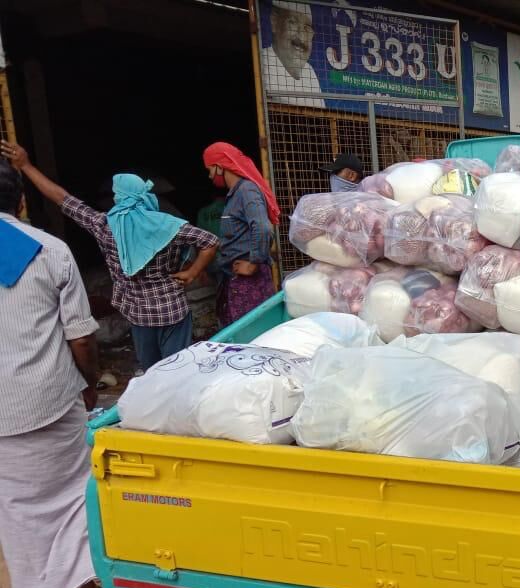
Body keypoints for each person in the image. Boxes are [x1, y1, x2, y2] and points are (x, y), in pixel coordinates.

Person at [0, 160, 105, 588]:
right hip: (52, 398)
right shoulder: (48, 250)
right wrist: (90, 382)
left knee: (18, 507)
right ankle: (83, 584)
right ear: (20, 198)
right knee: (74, 491)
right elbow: (81, 337)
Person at [2, 141, 219, 370]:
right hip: (173, 310)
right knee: (181, 369)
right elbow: (210, 242)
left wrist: (25, 165)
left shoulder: (104, 226)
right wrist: (192, 272)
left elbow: (62, 199)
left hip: (139, 316)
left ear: (120, 197)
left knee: (152, 372)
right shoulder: (169, 225)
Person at [202, 141, 280, 328]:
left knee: (253, 334)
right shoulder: (235, 194)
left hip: (249, 281)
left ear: (220, 167)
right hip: (237, 278)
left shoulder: (247, 190)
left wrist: (253, 262)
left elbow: (263, 227)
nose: (210, 175)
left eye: (210, 169)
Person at [262, 1, 324, 108]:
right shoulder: (262, 61)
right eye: (292, 22)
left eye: (307, 28)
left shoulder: (309, 72)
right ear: (274, 22)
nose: (301, 37)